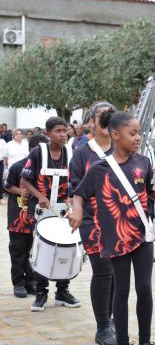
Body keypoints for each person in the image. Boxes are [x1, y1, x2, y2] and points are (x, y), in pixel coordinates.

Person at [68, 110, 155, 345]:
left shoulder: (143, 163)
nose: (138, 138)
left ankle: (145, 340)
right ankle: (123, 340)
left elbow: (149, 191)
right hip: (115, 237)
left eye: (139, 134)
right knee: (121, 291)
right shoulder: (99, 169)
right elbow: (80, 194)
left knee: (144, 288)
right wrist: (77, 209)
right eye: (132, 133)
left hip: (143, 234)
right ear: (115, 134)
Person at [21, 116, 80, 312]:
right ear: (47, 134)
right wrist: (39, 196)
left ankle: (62, 291)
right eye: (58, 131)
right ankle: (41, 293)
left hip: (63, 209)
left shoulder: (71, 153)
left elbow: (77, 180)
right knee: (42, 249)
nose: (63, 135)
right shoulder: (39, 152)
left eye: (64, 131)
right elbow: (25, 179)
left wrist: (72, 199)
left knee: (66, 248)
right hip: (41, 209)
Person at [69, 101, 116, 345]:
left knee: (118, 273)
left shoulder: (124, 148)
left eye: (111, 115)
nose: (107, 119)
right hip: (92, 221)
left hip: (120, 221)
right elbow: (75, 187)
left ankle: (112, 319)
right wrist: (75, 209)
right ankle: (102, 327)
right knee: (103, 270)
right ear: (91, 123)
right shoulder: (82, 153)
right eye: (102, 116)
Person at [5, 134, 48, 298]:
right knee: (18, 252)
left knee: (33, 253)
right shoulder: (18, 167)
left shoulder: (44, 169)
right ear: (32, 150)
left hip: (37, 219)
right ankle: (18, 283)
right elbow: (7, 185)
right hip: (18, 218)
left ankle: (31, 282)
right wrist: (20, 191)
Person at [0, 137, 7, 204]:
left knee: (0, 179)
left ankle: (0, 198)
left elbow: (5, 153)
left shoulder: (2, 141)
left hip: (0, 162)